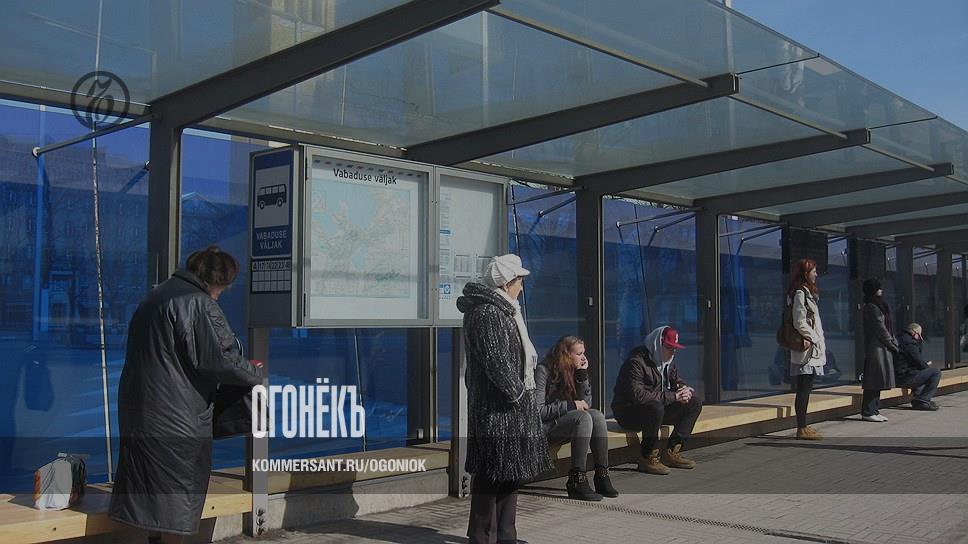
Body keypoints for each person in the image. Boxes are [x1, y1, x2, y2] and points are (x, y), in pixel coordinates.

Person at [109, 247, 264, 544]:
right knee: (179, 491)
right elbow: (219, 358)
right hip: (177, 412)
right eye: (224, 287)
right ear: (217, 280)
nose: (221, 294)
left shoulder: (156, 296)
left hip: (142, 407)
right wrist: (253, 371)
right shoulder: (198, 303)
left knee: (154, 488)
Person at [457, 254, 552, 544]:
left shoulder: (505, 310)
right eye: (519, 281)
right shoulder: (488, 313)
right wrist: (520, 395)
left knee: (510, 472)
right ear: (507, 283)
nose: (522, 287)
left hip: (508, 409)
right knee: (492, 473)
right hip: (496, 409)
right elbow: (496, 363)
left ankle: (505, 535)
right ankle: (482, 536)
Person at [535, 336, 618, 501]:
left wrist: (582, 376)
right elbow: (538, 412)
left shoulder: (574, 371)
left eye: (583, 353)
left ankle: (602, 475)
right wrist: (570, 405)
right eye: (579, 354)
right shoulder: (543, 371)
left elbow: (586, 404)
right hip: (544, 429)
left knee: (597, 416)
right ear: (566, 355)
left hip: (565, 424)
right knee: (583, 418)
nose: (583, 358)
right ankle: (577, 480)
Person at [611, 326, 702, 475]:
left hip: (655, 411)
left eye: (675, 349)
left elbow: (675, 380)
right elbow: (639, 396)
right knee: (656, 407)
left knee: (694, 403)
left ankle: (672, 451)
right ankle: (647, 457)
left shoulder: (668, 362)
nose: (672, 352)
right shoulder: (636, 362)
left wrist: (683, 389)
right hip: (629, 413)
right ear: (657, 345)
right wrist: (674, 396)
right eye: (669, 348)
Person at [788, 258, 827, 440]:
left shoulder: (806, 292)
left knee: (806, 387)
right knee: (803, 388)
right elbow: (799, 321)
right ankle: (801, 427)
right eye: (813, 271)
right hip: (806, 349)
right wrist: (815, 338)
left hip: (810, 347)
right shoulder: (800, 293)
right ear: (805, 273)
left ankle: (803, 425)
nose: (816, 274)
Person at [861, 278, 899, 422]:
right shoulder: (871, 307)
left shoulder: (879, 305)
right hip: (876, 347)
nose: (881, 290)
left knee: (879, 379)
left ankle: (874, 409)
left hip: (882, 346)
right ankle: (868, 411)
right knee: (874, 378)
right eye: (878, 288)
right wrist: (891, 343)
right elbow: (880, 328)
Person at [895, 323, 941, 411]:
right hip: (904, 377)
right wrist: (927, 369)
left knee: (920, 371)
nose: (919, 338)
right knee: (935, 373)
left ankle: (918, 398)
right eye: (919, 335)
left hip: (898, 375)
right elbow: (918, 361)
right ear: (914, 332)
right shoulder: (909, 343)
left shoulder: (900, 338)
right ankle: (923, 400)